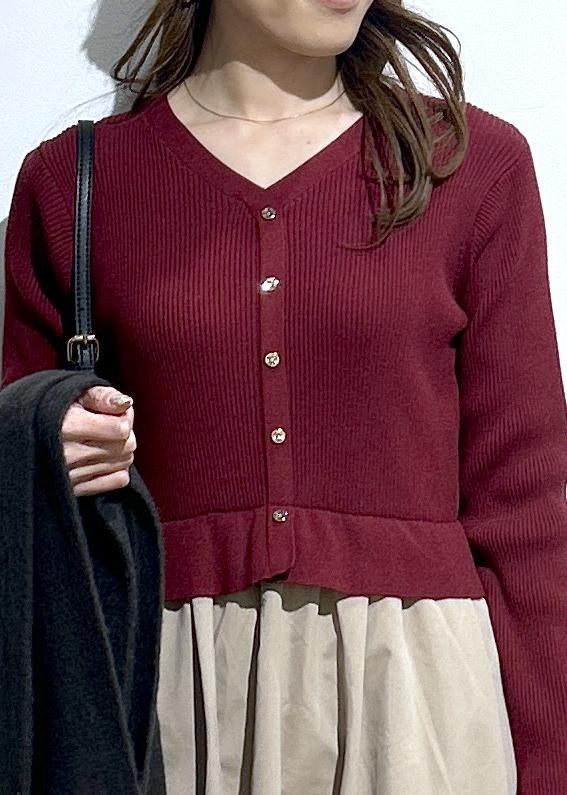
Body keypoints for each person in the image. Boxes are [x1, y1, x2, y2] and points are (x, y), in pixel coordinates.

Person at [3, 0, 567, 792]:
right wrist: (43, 443)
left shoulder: (469, 163)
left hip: (419, 698)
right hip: (176, 695)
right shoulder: (74, 182)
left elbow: (527, 505)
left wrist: (550, 764)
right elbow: (20, 503)